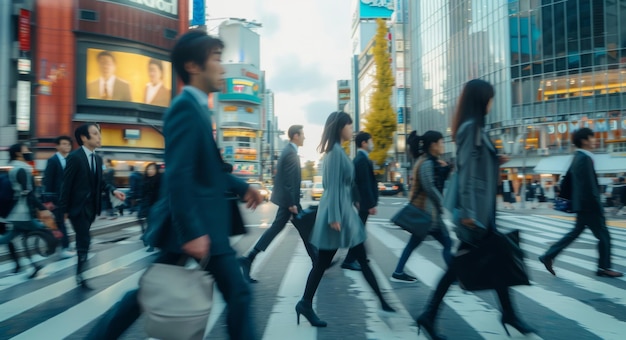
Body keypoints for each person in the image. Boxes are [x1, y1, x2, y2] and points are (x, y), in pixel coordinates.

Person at [85, 30, 263, 340]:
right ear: (194, 66)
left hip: (199, 223)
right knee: (238, 294)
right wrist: (192, 231)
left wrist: (240, 186)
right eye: (217, 59)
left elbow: (205, 170)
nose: (223, 67)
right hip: (198, 224)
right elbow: (179, 175)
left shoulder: (196, 108)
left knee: (148, 292)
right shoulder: (185, 109)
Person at [416, 79, 534, 339]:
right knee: (468, 264)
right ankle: (430, 314)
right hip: (475, 213)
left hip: (482, 211)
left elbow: (477, 165)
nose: (492, 102)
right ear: (481, 100)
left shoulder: (475, 127)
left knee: (494, 258)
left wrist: (495, 160)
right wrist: (468, 213)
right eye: (490, 98)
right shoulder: (471, 128)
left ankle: (506, 313)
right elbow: (467, 172)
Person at [296, 111, 395, 328]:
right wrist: (334, 217)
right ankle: (304, 303)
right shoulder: (333, 153)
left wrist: (355, 200)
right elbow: (330, 187)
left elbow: (344, 185)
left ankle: (383, 302)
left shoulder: (339, 151)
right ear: (340, 127)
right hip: (338, 217)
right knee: (324, 263)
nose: (352, 130)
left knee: (347, 260)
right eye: (349, 126)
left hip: (344, 215)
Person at [539, 128, 623, 278]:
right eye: (592, 137)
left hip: (582, 205)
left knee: (574, 233)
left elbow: (568, 182)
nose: (595, 140)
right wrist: (598, 205)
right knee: (604, 236)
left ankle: (548, 255)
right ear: (584, 140)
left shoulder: (578, 157)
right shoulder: (584, 159)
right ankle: (603, 268)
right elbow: (589, 186)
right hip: (589, 206)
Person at [239, 125, 317, 283]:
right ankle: (248, 259)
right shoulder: (290, 153)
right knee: (297, 230)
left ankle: (318, 262)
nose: (304, 137)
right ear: (295, 135)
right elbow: (288, 181)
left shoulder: (289, 151)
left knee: (303, 230)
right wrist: (291, 203)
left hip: (290, 201)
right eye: (302, 134)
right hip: (290, 202)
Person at [58, 123, 126, 289]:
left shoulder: (97, 158)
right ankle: (80, 274)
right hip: (77, 207)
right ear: (84, 138)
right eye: (95, 134)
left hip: (92, 208)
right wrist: (64, 211)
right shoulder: (74, 157)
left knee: (84, 239)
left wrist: (113, 190)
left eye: (99, 134)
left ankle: (81, 269)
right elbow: (66, 185)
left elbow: (101, 182)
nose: (99, 137)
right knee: (84, 239)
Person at [390, 130, 453, 283]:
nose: (443, 145)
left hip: (428, 213)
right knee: (446, 242)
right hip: (427, 214)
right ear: (433, 145)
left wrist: (446, 168)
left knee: (422, 243)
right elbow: (430, 187)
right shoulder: (425, 163)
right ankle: (453, 275)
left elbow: (436, 182)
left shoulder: (430, 161)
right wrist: (442, 202)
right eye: (441, 142)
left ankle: (398, 272)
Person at [1, 144, 53, 278]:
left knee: (7, 238)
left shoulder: (17, 168)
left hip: (17, 213)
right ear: (18, 153)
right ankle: (36, 263)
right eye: (26, 150)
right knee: (45, 231)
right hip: (22, 213)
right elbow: (28, 193)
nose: (29, 152)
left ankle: (34, 266)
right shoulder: (22, 169)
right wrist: (43, 208)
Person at [341, 131, 378, 271]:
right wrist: (370, 204)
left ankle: (355, 257)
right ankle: (350, 259)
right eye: (371, 140)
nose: (372, 143)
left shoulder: (361, 159)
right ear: (364, 143)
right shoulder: (361, 160)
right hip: (364, 202)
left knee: (360, 229)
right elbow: (364, 184)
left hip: (362, 201)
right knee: (359, 230)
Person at [42, 135, 74, 259]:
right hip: (57, 199)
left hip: (69, 198)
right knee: (60, 223)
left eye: (69, 144)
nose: (67, 146)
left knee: (68, 222)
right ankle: (64, 247)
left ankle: (63, 246)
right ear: (58, 146)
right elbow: (48, 181)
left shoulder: (70, 160)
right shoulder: (53, 160)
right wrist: (49, 200)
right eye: (64, 144)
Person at [138, 162, 160, 251]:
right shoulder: (144, 180)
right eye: (149, 169)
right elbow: (142, 194)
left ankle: (151, 244)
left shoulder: (159, 180)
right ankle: (146, 236)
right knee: (146, 223)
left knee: (152, 225)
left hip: (156, 205)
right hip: (146, 205)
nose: (150, 171)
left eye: (153, 169)